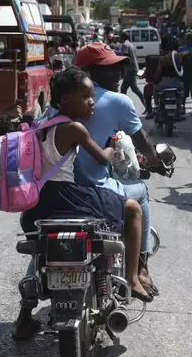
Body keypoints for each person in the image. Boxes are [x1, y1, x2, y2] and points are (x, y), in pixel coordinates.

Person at [13, 67, 152, 339]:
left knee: (41, 256)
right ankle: (134, 278)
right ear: (66, 100)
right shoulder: (75, 128)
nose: (92, 102)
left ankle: (23, 316)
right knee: (133, 209)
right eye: (86, 96)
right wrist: (113, 144)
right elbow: (102, 159)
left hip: (40, 206)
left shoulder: (41, 124)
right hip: (67, 198)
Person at [41, 44, 161, 291]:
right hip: (89, 192)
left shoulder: (53, 110)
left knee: (43, 243)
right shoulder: (115, 103)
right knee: (140, 198)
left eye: (119, 68)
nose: (118, 73)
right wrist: (154, 160)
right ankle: (138, 270)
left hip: (49, 195)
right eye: (109, 68)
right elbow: (137, 143)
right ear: (86, 73)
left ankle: (27, 303)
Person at [154, 36, 185, 121]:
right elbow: (181, 71)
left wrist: (154, 80)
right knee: (180, 95)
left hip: (164, 83)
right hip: (177, 83)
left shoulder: (162, 59)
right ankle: (179, 111)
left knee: (156, 90)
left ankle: (157, 108)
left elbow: (158, 73)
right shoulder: (179, 57)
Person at [119, 32, 146, 110]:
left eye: (120, 37)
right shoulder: (131, 44)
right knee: (123, 88)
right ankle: (123, 107)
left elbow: (125, 57)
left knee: (135, 89)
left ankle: (147, 106)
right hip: (133, 69)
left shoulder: (125, 45)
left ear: (123, 37)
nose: (119, 39)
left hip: (130, 70)